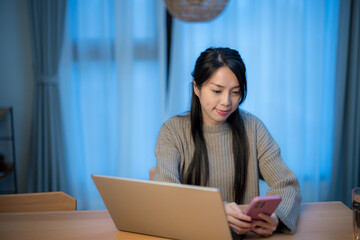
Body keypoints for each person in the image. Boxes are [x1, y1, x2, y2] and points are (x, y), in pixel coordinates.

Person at [154, 47, 302, 237]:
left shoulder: (253, 127)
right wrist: (215, 210)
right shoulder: (172, 131)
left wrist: (276, 217)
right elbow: (166, 193)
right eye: (217, 90)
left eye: (235, 92)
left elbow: (288, 184)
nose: (227, 102)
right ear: (196, 88)